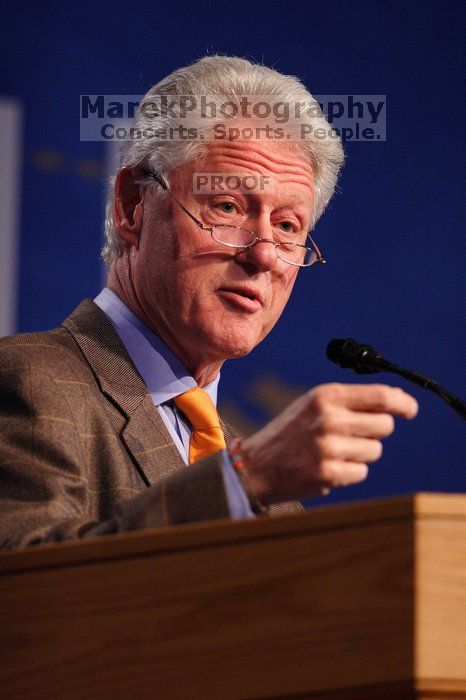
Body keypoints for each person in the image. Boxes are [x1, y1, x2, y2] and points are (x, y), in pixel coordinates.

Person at [0, 56, 418, 549]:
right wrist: (242, 481)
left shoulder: (271, 492)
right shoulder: (29, 381)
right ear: (132, 206)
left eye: (288, 227)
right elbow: (26, 592)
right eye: (228, 207)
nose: (264, 254)